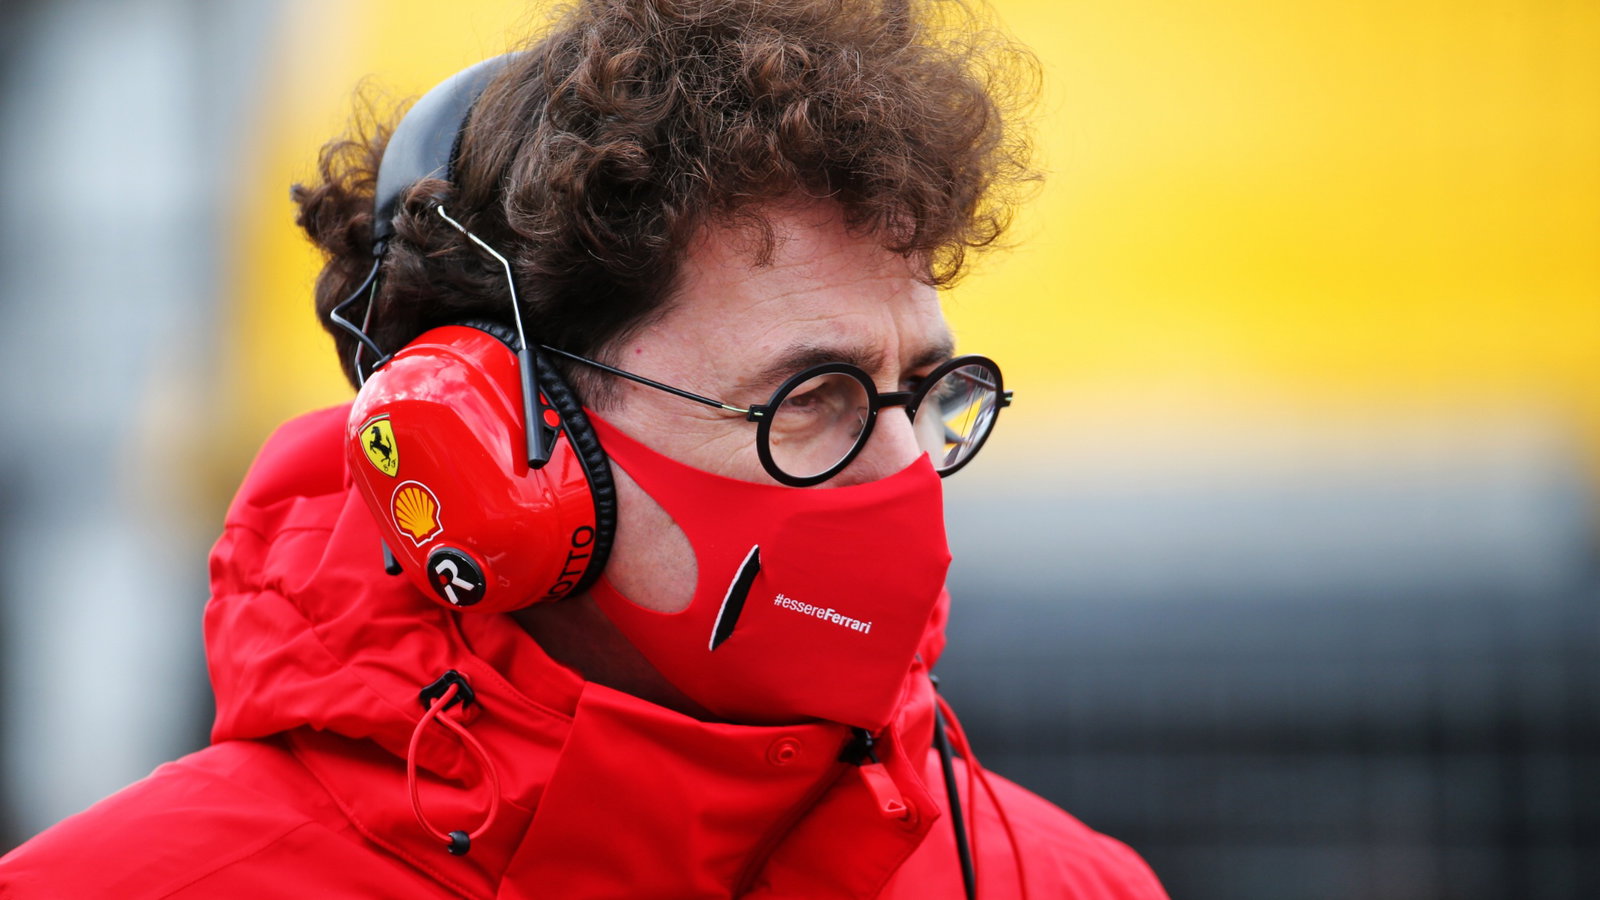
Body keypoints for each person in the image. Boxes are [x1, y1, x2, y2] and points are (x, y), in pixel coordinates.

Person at [0, 0, 1167, 896]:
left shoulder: (1056, 881)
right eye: (810, 398)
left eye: (920, 388)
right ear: (504, 449)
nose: (901, 465)